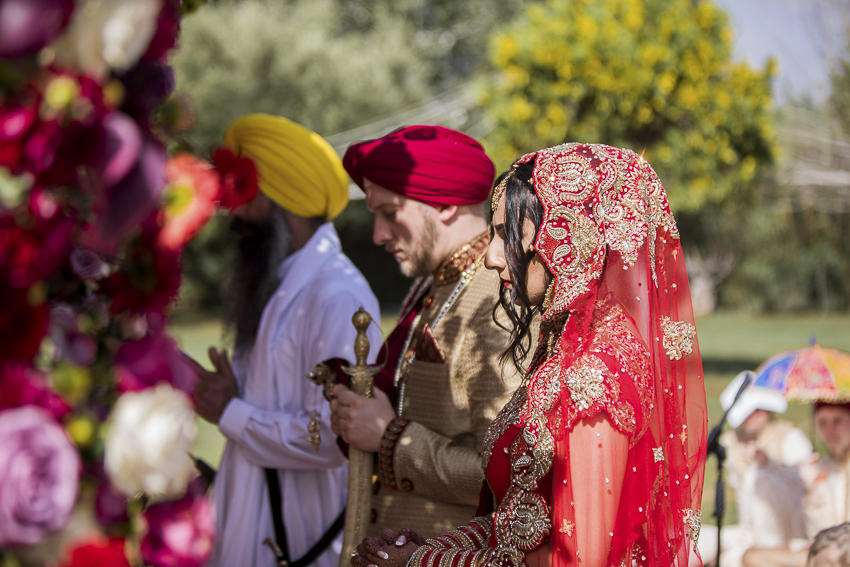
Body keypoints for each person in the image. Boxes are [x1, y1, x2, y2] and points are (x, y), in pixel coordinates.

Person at [351, 143, 708, 567]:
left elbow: (578, 558)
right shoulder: (568, 347)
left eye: (507, 235)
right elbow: (527, 516)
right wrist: (437, 548)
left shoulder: (596, 372)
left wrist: (423, 563)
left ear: (568, 235)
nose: (491, 257)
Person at [184, 114, 382, 567]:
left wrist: (231, 412)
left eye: (247, 197)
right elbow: (280, 401)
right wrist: (231, 390)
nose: (236, 213)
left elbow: (332, 438)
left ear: (286, 203)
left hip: (303, 543)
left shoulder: (337, 295)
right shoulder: (277, 285)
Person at [329, 125, 526, 538]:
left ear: (445, 205)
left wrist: (390, 439)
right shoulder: (435, 283)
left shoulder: (495, 300)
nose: (378, 235)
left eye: (390, 213)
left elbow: (511, 472)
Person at [698, 373, 813, 566]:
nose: (752, 418)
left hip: (789, 531)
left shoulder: (789, 436)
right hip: (749, 530)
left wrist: (768, 464)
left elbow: (804, 486)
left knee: (758, 476)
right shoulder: (730, 441)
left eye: (757, 412)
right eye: (748, 413)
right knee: (698, 542)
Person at [742, 402, 850, 567]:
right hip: (827, 549)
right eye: (822, 423)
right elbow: (821, 534)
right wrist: (812, 491)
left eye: (837, 421)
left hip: (842, 550)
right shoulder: (822, 467)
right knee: (752, 556)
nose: (830, 430)